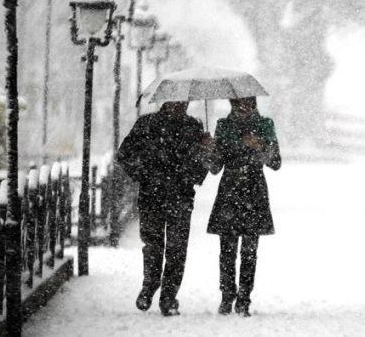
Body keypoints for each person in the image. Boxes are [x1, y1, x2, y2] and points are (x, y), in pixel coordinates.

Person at [116, 101, 213, 316]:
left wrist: (205, 152)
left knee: (177, 250)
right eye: (176, 101)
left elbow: (205, 164)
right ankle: (149, 287)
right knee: (153, 246)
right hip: (152, 196)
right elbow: (124, 154)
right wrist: (144, 175)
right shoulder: (147, 124)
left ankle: (168, 296)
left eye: (184, 102)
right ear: (166, 101)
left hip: (181, 196)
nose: (181, 105)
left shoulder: (193, 127)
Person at [206, 97, 281, 316]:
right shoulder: (224, 126)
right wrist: (210, 149)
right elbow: (214, 167)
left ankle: (244, 298)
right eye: (239, 103)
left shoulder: (265, 125)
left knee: (250, 251)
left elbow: (276, 162)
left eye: (249, 103)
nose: (244, 107)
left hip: (254, 190)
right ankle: (227, 294)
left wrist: (261, 147)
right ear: (232, 104)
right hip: (230, 190)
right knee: (227, 251)